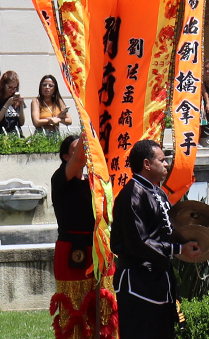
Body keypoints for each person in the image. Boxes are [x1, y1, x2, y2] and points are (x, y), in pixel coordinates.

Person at [112, 139, 198, 338]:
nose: (167, 163)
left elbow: (164, 232)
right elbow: (138, 243)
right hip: (138, 282)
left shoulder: (157, 191)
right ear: (147, 164)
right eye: (162, 159)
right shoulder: (132, 194)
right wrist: (178, 249)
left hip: (159, 280)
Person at [49, 135, 114, 339]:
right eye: (78, 148)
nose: (85, 150)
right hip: (72, 249)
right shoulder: (59, 178)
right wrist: (89, 129)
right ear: (66, 156)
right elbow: (79, 160)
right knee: (75, 308)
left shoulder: (96, 181)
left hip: (99, 247)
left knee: (104, 307)